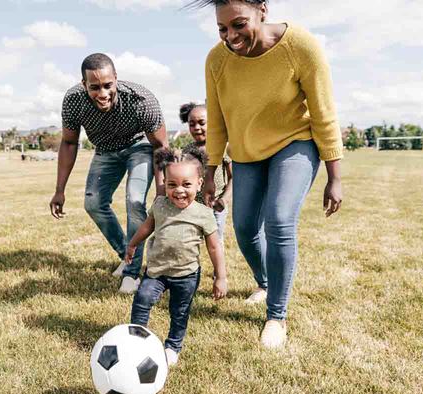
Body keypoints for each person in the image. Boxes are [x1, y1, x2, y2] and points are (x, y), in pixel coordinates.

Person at [189, 0, 344, 348]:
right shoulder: (216, 60)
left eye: (239, 25)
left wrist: (334, 175)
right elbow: (217, 121)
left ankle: (277, 315)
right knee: (244, 228)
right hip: (246, 153)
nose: (231, 36)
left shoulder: (299, 45)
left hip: (295, 142)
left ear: (262, 9)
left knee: (278, 220)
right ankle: (265, 282)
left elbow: (323, 112)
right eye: (222, 29)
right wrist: (211, 171)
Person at [49, 53, 168, 294]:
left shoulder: (141, 99)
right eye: (94, 87)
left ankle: (132, 274)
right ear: (84, 85)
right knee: (93, 203)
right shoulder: (73, 100)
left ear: (116, 79)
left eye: (107, 85)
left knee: (135, 201)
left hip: (139, 147)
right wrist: (59, 190)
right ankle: (127, 255)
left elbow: (160, 146)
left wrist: (162, 189)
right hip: (104, 151)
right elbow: (69, 143)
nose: (102, 93)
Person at [126, 147, 228, 366]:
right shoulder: (160, 205)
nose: (179, 190)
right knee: (142, 300)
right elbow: (147, 227)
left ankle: (172, 346)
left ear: (199, 184)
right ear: (164, 183)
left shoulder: (203, 213)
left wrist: (221, 277)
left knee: (179, 312)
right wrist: (133, 244)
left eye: (186, 184)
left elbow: (214, 247)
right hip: (157, 271)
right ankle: (136, 340)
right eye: (172, 185)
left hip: (186, 274)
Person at [180, 102, 232, 242]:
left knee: (215, 241)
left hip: (216, 205)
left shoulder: (221, 148)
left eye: (202, 123)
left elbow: (233, 177)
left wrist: (224, 199)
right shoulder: (188, 150)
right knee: (191, 240)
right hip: (194, 206)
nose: (196, 128)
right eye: (192, 124)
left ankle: (218, 264)